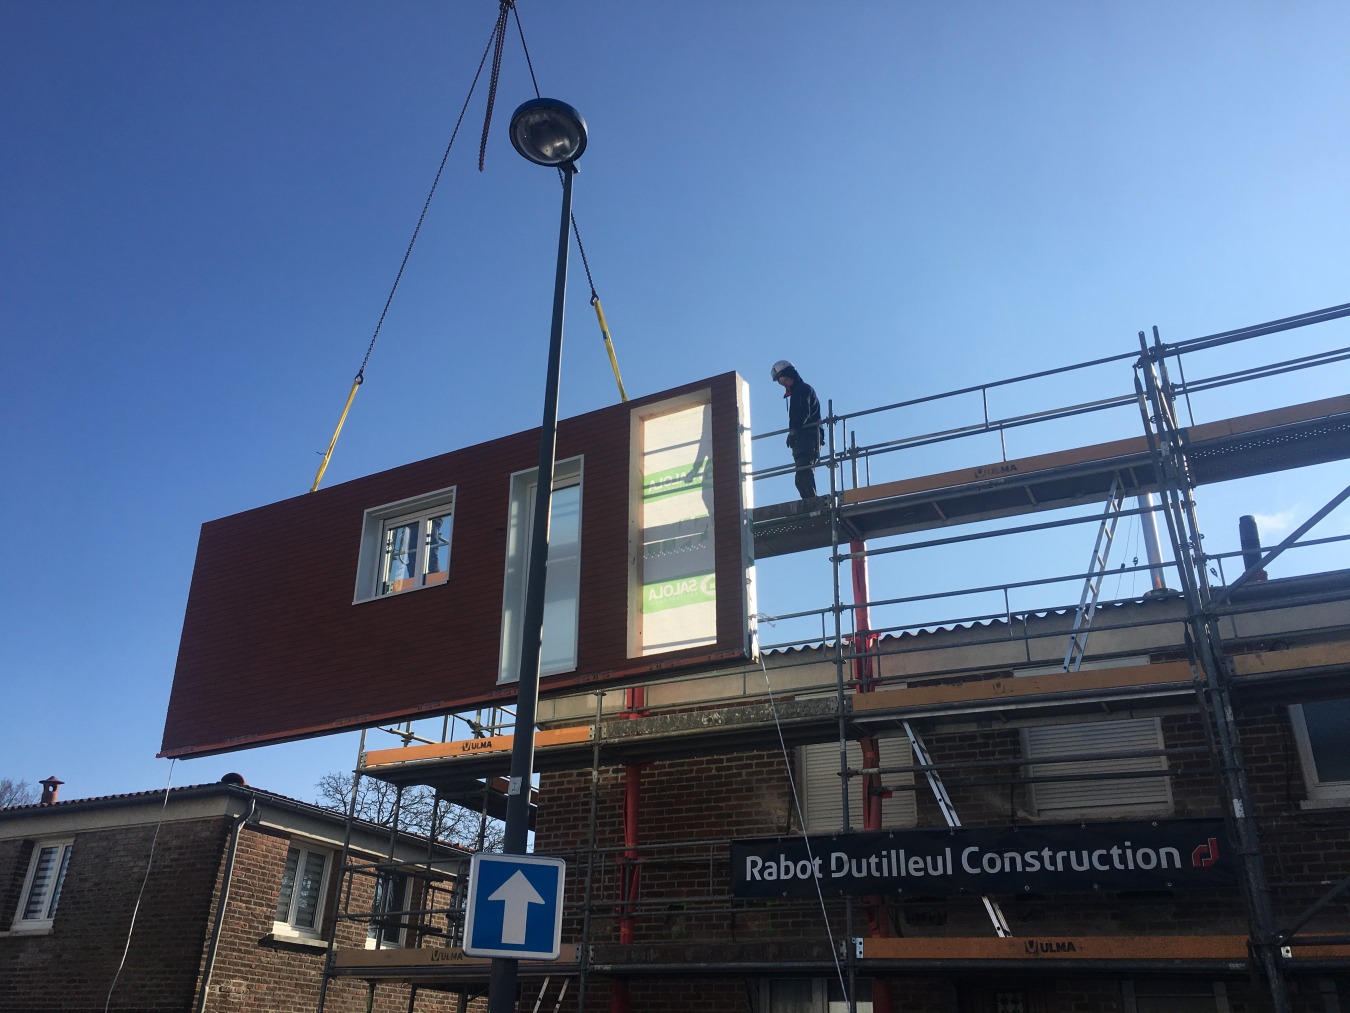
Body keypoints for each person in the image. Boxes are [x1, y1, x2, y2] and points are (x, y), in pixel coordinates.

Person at [771, 360, 823, 499]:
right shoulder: (799, 391)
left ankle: (812, 505)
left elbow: (802, 412)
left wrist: (794, 430)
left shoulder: (802, 390)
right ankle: (810, 505)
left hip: (808, 437)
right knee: (801, 477)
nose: (784, 383)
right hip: (806, 437)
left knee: (804, 473)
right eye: (781, 382)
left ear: (789, 374)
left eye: (784, 379)